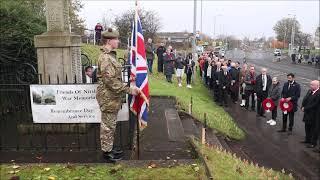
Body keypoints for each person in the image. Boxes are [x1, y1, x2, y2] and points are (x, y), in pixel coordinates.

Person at [96, 28, 141, 162]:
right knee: (108, 126)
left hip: (112, 97)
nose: (118, 41)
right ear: (109, 41)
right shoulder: (105, 57)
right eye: (116, 39)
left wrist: (128, 82)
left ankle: (108, 148)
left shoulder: (110, 56)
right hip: (108, 97)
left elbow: (115, 77)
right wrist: (129, 90)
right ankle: (106, 153)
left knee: (111, 125)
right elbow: (110, 81)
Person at [301, 80, 320, 148]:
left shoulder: (318, 93)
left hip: (314, 115)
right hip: (307, 113)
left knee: (313, 129)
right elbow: (305, 99)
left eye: (312, 85)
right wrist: (302, 106)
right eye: (310, 84)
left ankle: (313, 143)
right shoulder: (309, 91)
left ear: (317, 86)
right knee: (307, 127)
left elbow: (315, 104)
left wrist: (305, 108)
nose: (310, 86)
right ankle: (307, 139)